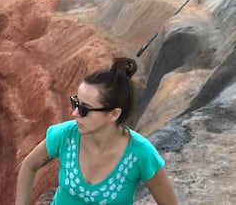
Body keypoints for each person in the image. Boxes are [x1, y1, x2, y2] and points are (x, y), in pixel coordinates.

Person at [15, 57, 178, 205]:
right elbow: (29, 166)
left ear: (114, 114)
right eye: (75, 103)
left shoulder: (141, 154)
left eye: (84, 109)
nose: (75, 113)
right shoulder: (65, 135)